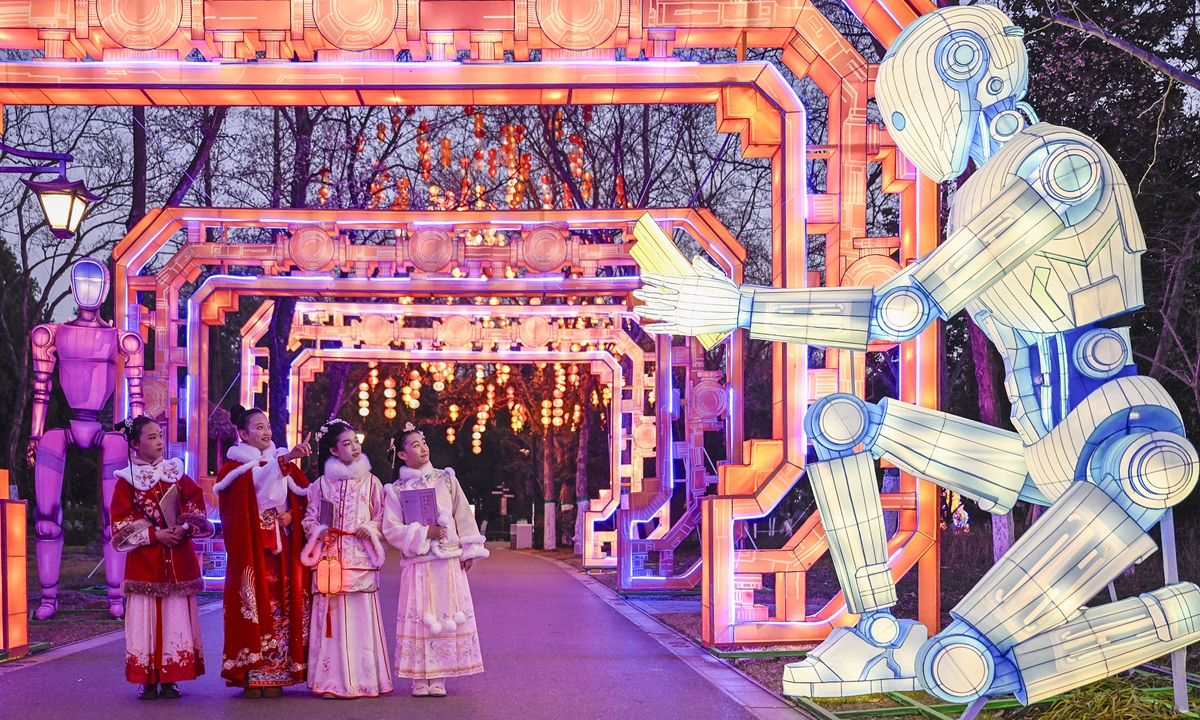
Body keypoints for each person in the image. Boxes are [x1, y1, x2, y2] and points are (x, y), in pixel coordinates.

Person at [213, 404, 313, 698]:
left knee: (283, 608)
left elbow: (304, 500)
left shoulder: (281, 462)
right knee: (255, 608)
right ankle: (251, 673)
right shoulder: (234, 470)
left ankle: (279, 673)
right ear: (242, 434)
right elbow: (257, 489)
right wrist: (286, 460)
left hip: (282, 552)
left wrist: (292, 516)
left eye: (267, 426)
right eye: (258, 427)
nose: (266, 432)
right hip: (253, 554)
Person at [110, 416, 213, 700]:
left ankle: (172, 678)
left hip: (178, 559)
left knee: (175, 617)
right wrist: (155, 535)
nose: (158, 442)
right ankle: (148, 679)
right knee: (145, 620)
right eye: (152, 437)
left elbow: (195, 501)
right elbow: (120, 524)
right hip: (147, 563)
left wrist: (184, 526)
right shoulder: (126, 481)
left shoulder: (176, 473)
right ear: (134, 444)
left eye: (159, 435)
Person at [383, 423, 488, 697]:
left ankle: (439, 675)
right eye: (415, 445)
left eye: (424, 442)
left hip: (448, 561)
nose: (423, 448)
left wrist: (469, 550)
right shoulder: (395, 490)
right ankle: (420, 677)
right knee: (419, 615)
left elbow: (462, 515)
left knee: (446, 612)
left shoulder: (447, 479)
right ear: (402, 455)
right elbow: (391, 528)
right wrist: (421, 533)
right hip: (418, 563)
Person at [300, 418, 393, 698]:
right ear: (333, 450)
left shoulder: (372, 482)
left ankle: (365, 681)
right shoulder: (320, 485)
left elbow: (383, 515)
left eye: (355, 442)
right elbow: (309, 517)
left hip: (360, 559)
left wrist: (371, 528)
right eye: (346, 443)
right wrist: (318, 532)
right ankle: (330, 682)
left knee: (360, 620)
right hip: (329, 560)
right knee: (330, 622)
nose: (353, 447)